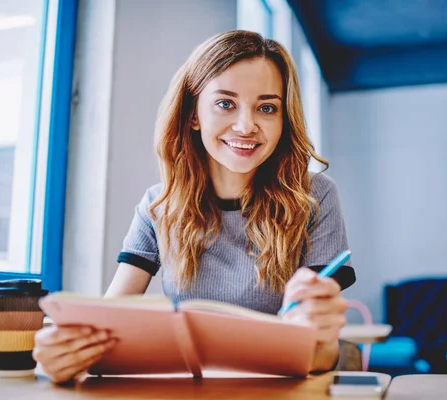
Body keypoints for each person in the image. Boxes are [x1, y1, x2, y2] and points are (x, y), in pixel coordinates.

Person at [32, 30, 356, 383]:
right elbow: (107, 320)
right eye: (225, 103)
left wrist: (319, 336)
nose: (247, 126)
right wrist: (65, 352)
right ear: (193, 115)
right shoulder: (158, 206)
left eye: (267, 108)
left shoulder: (314, 196)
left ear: (283, 119)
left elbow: (322, 353)